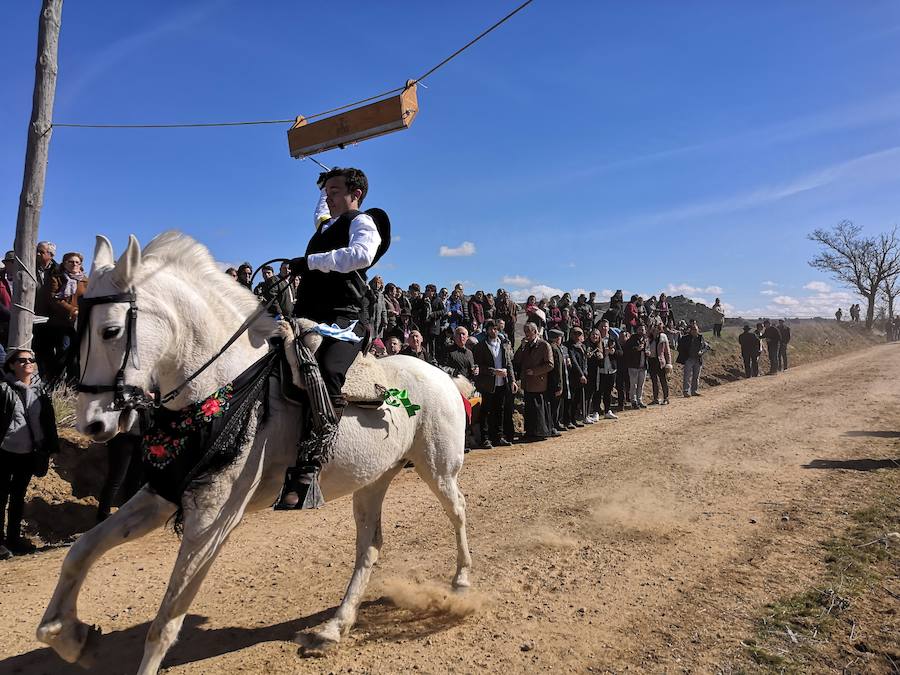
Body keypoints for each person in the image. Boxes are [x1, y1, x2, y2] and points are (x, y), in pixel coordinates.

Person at [278, 166, 387, 510]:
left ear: (356, 194)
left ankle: (310, 464)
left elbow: (361, 256)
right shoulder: (325, 224)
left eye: (336, 190)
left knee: (327, 370)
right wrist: (323, 180)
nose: (329, 195)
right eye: (327, 191)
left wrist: (310, 262)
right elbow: (320, 209)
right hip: (308, 313)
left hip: (345, 317)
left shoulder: (362, 222)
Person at [0, 349, 59, 557]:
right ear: (11, 365)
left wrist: (51, 446)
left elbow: (47, 421)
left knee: (18, 497)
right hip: (4, 451)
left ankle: (13, 539)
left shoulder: (40, 391)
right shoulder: (3, 389)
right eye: (21, 360)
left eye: (31, 359)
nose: (27, 363)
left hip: (28, 452)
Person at [472, 320, 515, 449]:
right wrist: (494, 372)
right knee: (485, 411)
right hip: (487, 384)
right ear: (486, 330)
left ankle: (498, 437)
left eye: (495, 329)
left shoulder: (503, 345)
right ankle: (485, 438)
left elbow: (508, 364)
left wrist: (512, 380)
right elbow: (478, 366)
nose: (493, 331)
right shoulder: (480, 346)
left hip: (502, 383)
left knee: (500, 410)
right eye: (491, 329)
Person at [47, 252, 89, 383]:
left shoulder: (85, 280)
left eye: (77, 262)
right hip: (62, 322)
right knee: (64, 352)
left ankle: (73, 384)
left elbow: (89, 299)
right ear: (64, 263)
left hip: (81, 323)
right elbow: (54, 299)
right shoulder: (57, 278)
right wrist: (72, 310)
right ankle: (55, 382)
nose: (74, 264)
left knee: (78, 354)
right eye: (71, 262)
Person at [513, 322, 554, 441]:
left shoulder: (544, 345)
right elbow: (517, 359)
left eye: (528, 332)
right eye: (525, 332)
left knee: (538, 409)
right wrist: (521, 347)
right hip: (527, 382)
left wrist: (535, 371)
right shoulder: (525, 346)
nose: (526, 335)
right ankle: (530, 431)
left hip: (538, 382)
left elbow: (550, 365)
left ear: (535, 332)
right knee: (529, 408)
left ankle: (540, 432)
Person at [676, 324, 709, 397]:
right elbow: (679, 348)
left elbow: (706, 347)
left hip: (698, 359)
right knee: (687, 376)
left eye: (695, 329)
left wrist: (702, 352)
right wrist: (685, 355)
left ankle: (694, 390)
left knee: (696, 376)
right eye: (693, 329)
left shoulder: (701, 338)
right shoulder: (685, 338)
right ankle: (686, 391)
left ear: (698, 330)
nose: (694, 331)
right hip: (689, 359)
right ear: (690, 330)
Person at [546, 329, 567, 434]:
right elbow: (557, 368)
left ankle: (556, 423)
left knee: (557, 404)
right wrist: (559, 385)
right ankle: (553, 425)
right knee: (554, 405)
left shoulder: (553, 347)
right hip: (554, 382)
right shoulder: (554, 348)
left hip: (553, 381)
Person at [566, 327, 588, 427]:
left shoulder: (581, 346)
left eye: (579, 334)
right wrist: (581, 374)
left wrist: (585, 372)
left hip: (581, 376)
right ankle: (568, 420)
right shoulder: (569, 346)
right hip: (573, 376)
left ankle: (574, 419)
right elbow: (573, 361)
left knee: (577, 399)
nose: (577, 336)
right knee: (571, 400)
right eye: (575, 333)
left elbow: (585, 360)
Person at [624, 323, 648, 409]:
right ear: (637, 330)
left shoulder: (645, 340)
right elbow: (626, 350)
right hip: (633, 366)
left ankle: (639, 400)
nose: (642, 331)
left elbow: (647, 349)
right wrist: (636, 349)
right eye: (640, 329)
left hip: (643, 365)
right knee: (633, 385)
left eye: (643, 329)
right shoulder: (632, 339)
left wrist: (647, 352)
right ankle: (633, 401)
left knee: (641, 385)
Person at [646, 321, 671, 405]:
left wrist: (669, 363)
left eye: (655, 329)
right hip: (651, 360)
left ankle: (666, 398)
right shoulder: (649, 339)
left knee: (663, 379)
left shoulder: (663, 338)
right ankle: (655, 398)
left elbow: (667, 352)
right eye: (652, 329)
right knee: (654, 381)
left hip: (660, 361)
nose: (653, 331)